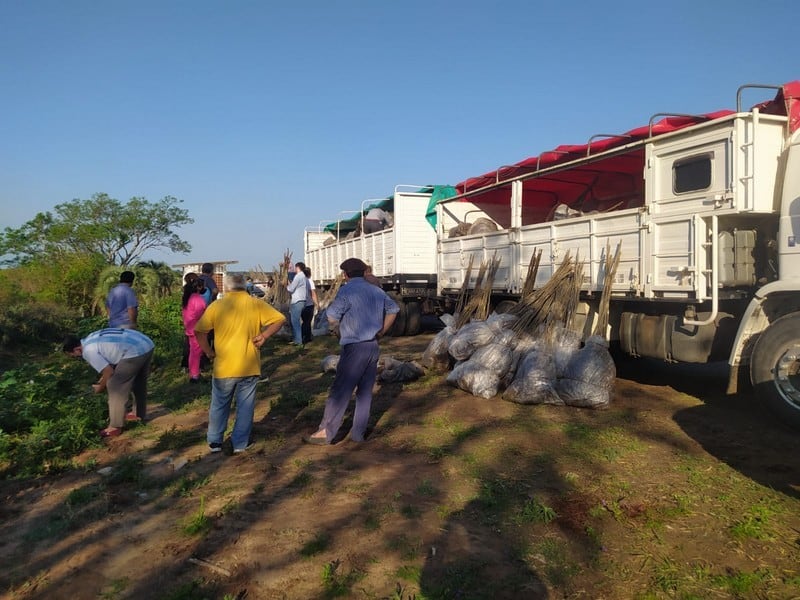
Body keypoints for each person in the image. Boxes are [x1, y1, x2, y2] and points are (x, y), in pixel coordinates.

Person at [304, 258, 399, 445]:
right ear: (364, 272)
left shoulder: (346, 291)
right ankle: (358, 434)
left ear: (345, 275)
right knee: (365, 392)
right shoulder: (376, 291)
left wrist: (339, 329)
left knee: (341, 390)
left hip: (354, 347)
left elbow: (331, 317)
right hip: (372, 345)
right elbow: (393, 310)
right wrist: (382, 331)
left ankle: (326, 431)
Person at [194, 273, 286, 454]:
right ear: (245, 286)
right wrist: (264, 336)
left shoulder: (217, 306)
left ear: (226, 287)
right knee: (245, 406)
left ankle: (215, 442)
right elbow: (279, 319)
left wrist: (209, 352)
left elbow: (199, 331)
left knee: (219, 404)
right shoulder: (255, 303)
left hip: (224, 366)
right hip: (249, 365)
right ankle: (240, 444)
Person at [63, 328, 155, 437]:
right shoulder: (90, 338)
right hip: (145, 343)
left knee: (115, 385)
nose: (75, 357)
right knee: (138, 380)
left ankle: (115, 426)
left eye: (72, 355)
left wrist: (100, 387)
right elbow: (109, 364)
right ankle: (138, 414)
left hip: (135, 350)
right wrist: (101, 380)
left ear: (77, 349)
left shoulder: (88, 351)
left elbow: (109, 371)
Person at [182, 276, 207, 383]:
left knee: (193, 352)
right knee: (197, 353)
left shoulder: (187, 298)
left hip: (190, 328)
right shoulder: (197, 299)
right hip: (198, 329)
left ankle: (193, 373)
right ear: (198, 287)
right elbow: (202, 315)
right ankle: (195, 375)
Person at [286, 262, 309, 346]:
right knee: (296, 321)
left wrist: (286, 285)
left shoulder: (298, 276)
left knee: (295, 321)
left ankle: (298, 341)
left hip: (297, 301)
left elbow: (291, 289)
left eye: (295, 268)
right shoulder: (304, 277)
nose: (294, 270)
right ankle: (297, 339)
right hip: (302, 300)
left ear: (297, 267)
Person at [301, 267, 319, 344]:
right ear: (309, 273)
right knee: (307, 322)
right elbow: (313, 294)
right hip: (308, 304)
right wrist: (317, 304)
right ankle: (306, 337)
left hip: (301, 304)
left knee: (304, 321)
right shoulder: (309, 281)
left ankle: (304, 336)